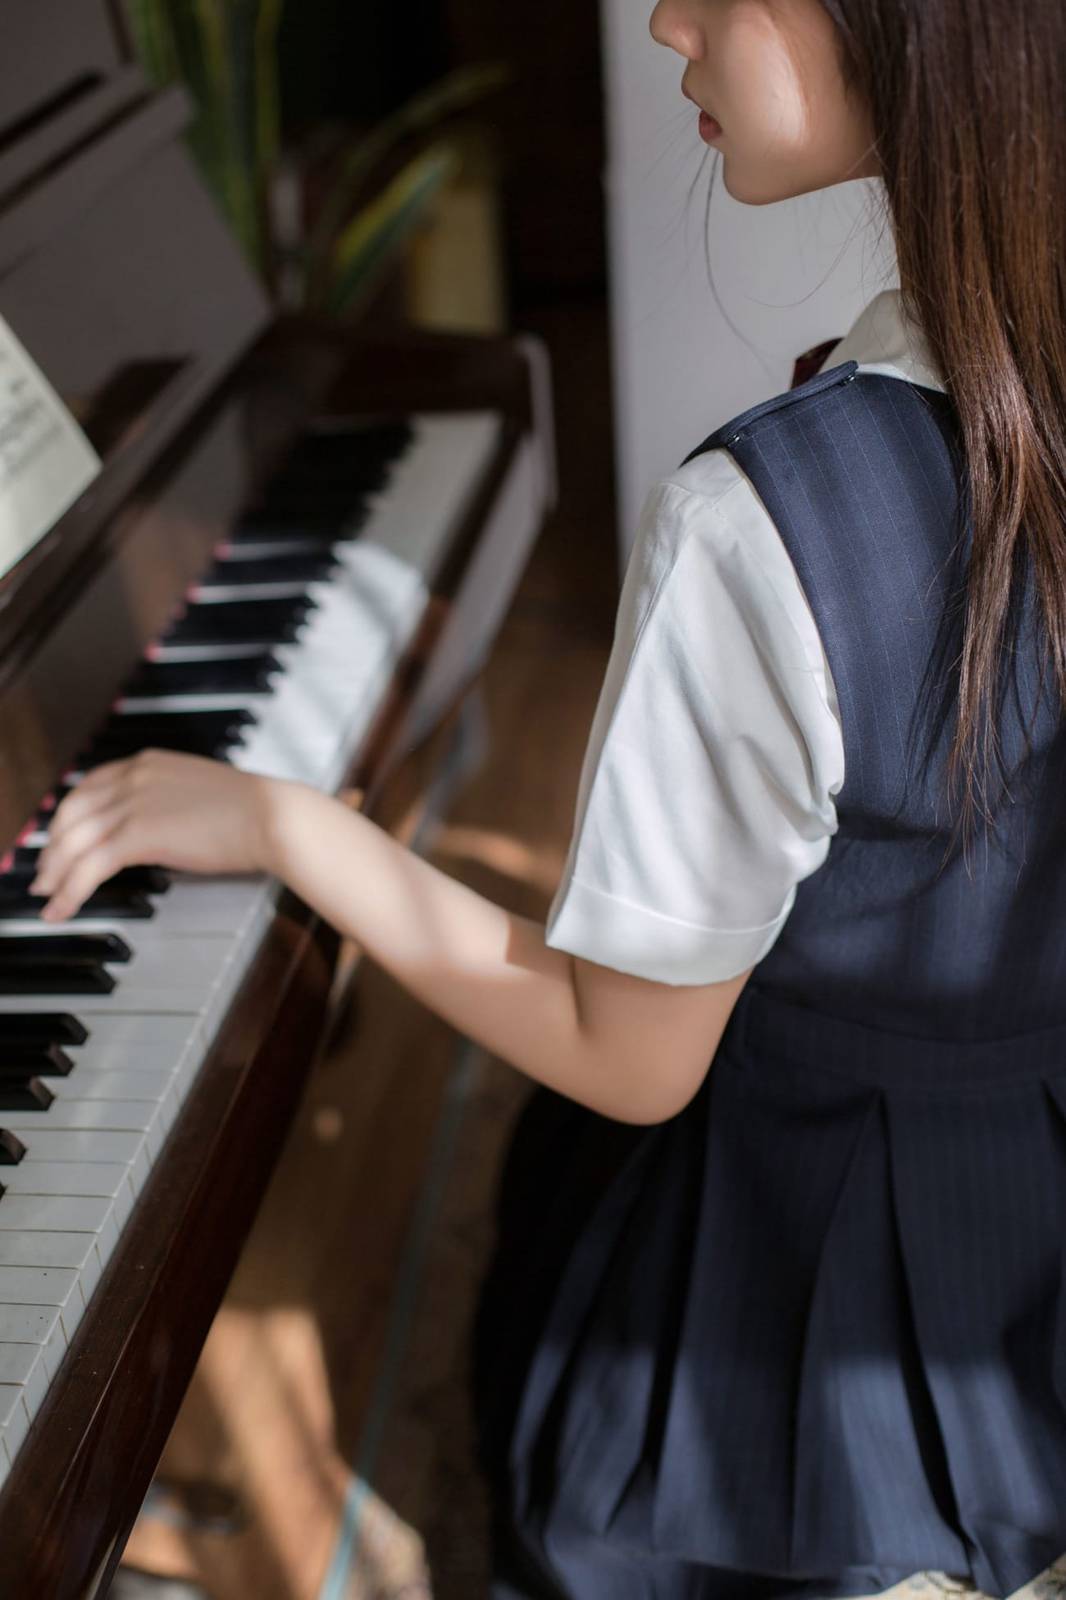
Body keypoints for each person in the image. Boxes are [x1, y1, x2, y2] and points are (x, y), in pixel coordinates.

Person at [29, 0, 1066, 1596]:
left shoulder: (763, 526)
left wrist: (290, 827)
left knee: (558, 1295)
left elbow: (626, 1058)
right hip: (1028, 1228)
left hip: (827, 1340)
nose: (667, 21)